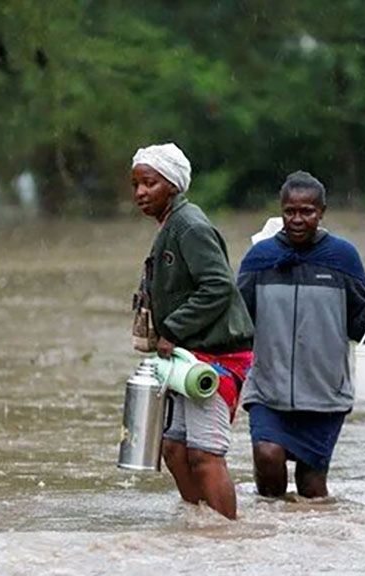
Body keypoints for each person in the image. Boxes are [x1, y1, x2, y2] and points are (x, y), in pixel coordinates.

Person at [237, 170, 365, 499]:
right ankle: (266, 543)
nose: (297, 219)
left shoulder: (342, 258)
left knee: (312, 487)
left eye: (306, 211)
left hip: (324, 394)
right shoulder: (260, 258)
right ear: (280, 211)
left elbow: (359, 326)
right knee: (267, 459)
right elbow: (238, 321)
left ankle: (311, 549)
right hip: (268, 388)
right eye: (289, 211)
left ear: (322, 212)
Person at [130, 143, 254, 519]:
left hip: (216, 355)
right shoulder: (171, 226)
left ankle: (227, 536)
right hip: (187, 354)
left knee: (204, 453)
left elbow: (218, 286)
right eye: (135, 184)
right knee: (173, 449)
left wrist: (172, 329)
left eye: (149, 183)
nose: (140, 193)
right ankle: (199, 525)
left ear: (173, 185)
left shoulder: (190, 226)